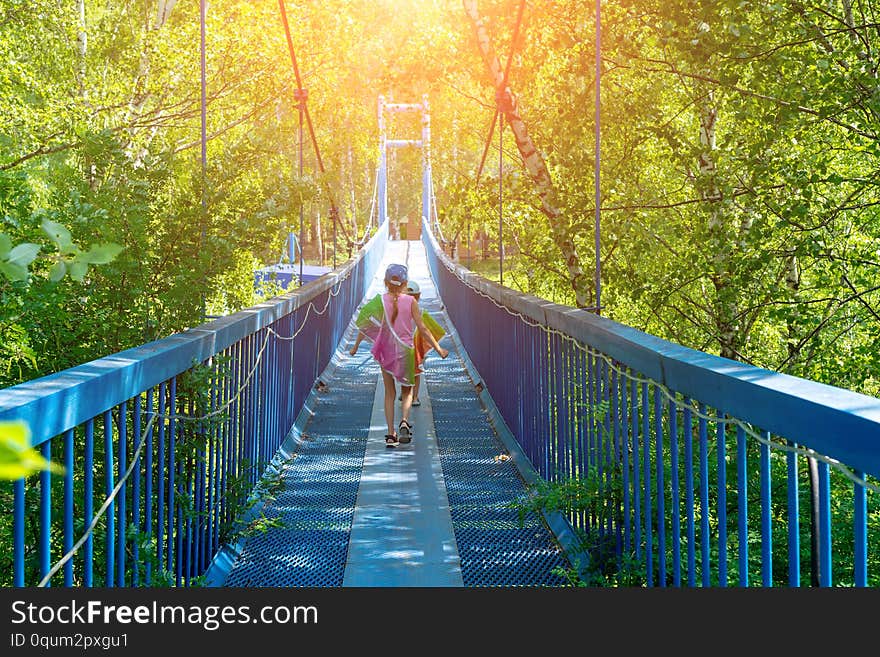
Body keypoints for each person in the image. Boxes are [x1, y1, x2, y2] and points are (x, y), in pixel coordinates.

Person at [349, 263, 448, 447]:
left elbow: (364, 323)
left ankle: (390, 434)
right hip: (406, 352)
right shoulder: (411, 302)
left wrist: (355, 347)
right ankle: (404, 420)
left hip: (386, 352)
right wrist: (438, 349)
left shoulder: (379, 301)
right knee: (407, 391)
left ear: (386, 282)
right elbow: (423, 329)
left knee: (389, 393)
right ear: (405, 283)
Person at [397, 279, 446, 408]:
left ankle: (408, 393)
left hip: (403, 347)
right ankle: (414, 397)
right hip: (415, 348)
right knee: (415, 373)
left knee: (406, 372)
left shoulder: (399, 312)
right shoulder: (420, 312)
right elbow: (427, 330)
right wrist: (438, 348)